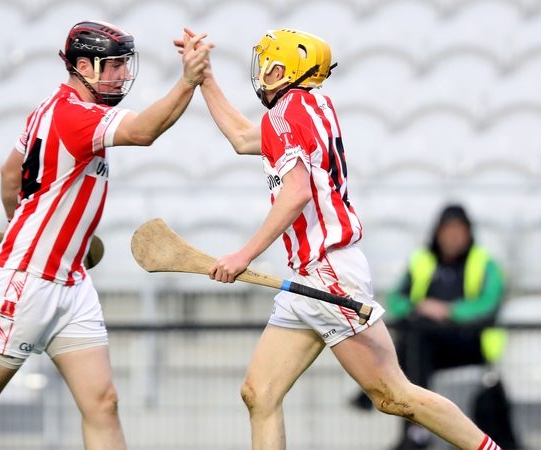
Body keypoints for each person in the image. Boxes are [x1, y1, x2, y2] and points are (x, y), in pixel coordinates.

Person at [175, 27, 504, 450]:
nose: (263, 75)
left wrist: (243, 255)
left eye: (270, 66)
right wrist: (204, 78)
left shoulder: (285, 113)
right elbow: (242, 138)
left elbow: (295, 193)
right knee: (259, 394)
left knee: (395, 396)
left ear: (288, 70)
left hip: (326, 274)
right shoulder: (312, 106)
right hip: (309, 277)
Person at [0, 21, 213, 450]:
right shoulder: (72, 114)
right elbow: (143, 132)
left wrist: (25, 226)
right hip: (27, 280)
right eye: (115, 66)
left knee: (103, 402)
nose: (124, 74)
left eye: (125, 64)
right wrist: (188, 81)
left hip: (71, 283)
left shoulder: (53, 107)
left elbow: (10, 174)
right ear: (84, 66)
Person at [352, 204, 520, 449]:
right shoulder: (422, 261)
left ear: (469, 233)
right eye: (447, 230)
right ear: (437, 233)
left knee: (416, 336)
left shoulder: (484, 262)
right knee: (417, 337)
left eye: (458, 230)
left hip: (469, 344)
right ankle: (416, 429)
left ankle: (406, 421)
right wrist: (420, 307)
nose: (452, 236)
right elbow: (396, 301)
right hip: (427, 345)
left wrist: (448, 311)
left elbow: (489, 303)